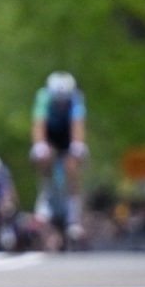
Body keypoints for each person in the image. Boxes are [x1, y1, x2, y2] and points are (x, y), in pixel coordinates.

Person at [31, 70, 88, 241]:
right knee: (44, 156)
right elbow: (38, 123)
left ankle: (73, 212)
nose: (62, 104)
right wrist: (39, 145)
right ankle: (45, 197)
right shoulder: (43, 96)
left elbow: (77, 124)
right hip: (49, 133)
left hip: (67, 134)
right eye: (58, 101)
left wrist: (77, 146)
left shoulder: (76, 97)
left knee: (71, 165)